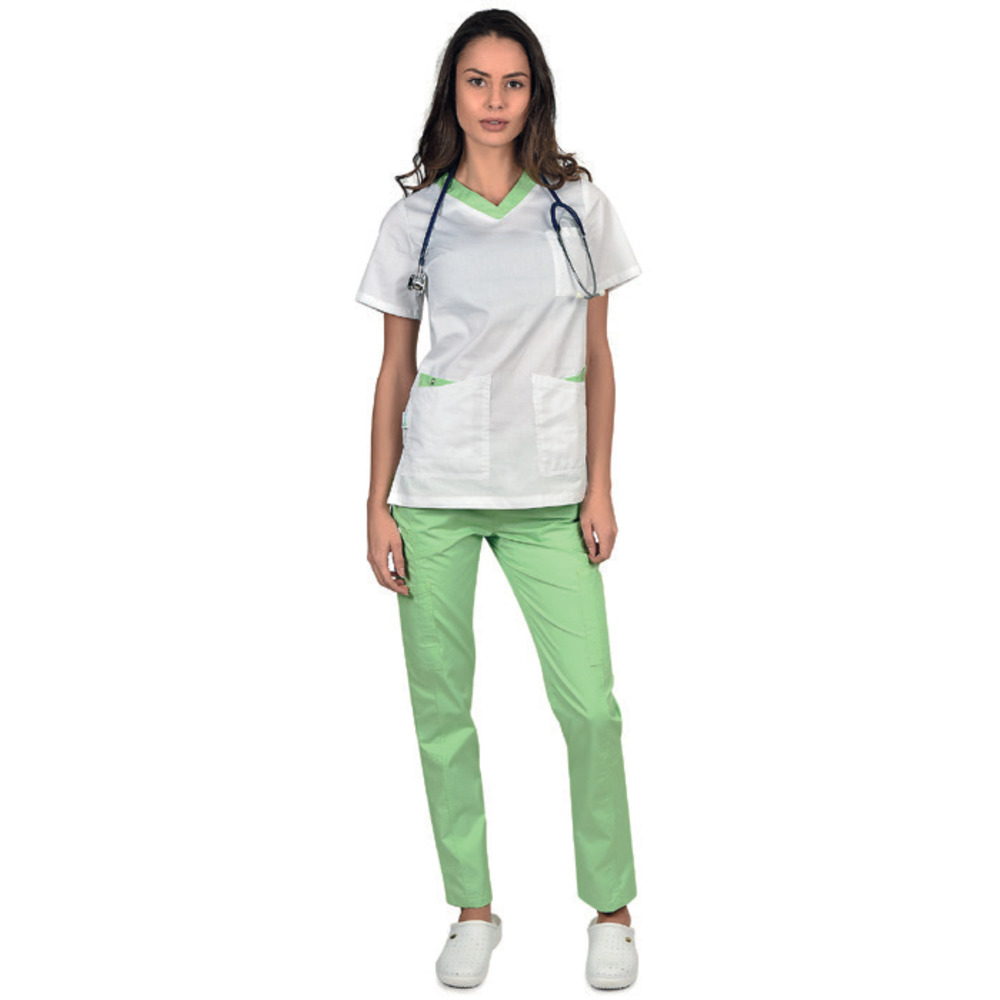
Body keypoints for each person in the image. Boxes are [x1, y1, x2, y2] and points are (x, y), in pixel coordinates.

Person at [357, 10, 641, 990]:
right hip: (434, 493)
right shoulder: (415, 219)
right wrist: (376, 503)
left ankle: (611, 909)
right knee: (442, 710)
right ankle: (473, 909)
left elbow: (599, 355)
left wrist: (600, 484)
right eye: (476, 81)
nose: (493, 100)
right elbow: (394, 372)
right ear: (453, 92)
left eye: (512, 83)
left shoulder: (578, 207)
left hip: (550, 492)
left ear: (535, 94)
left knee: (590, 707)